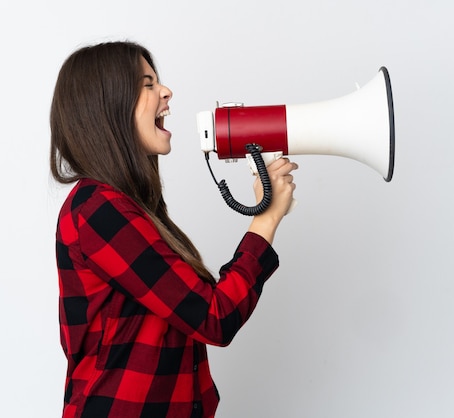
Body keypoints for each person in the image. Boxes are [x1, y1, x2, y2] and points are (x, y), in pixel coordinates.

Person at [50, 41, 297, 418]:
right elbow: (214, 317)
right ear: (107, 106)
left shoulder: (127, 209)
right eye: (147, 84)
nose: (166, 92)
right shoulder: (100, 211)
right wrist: (266, 218)